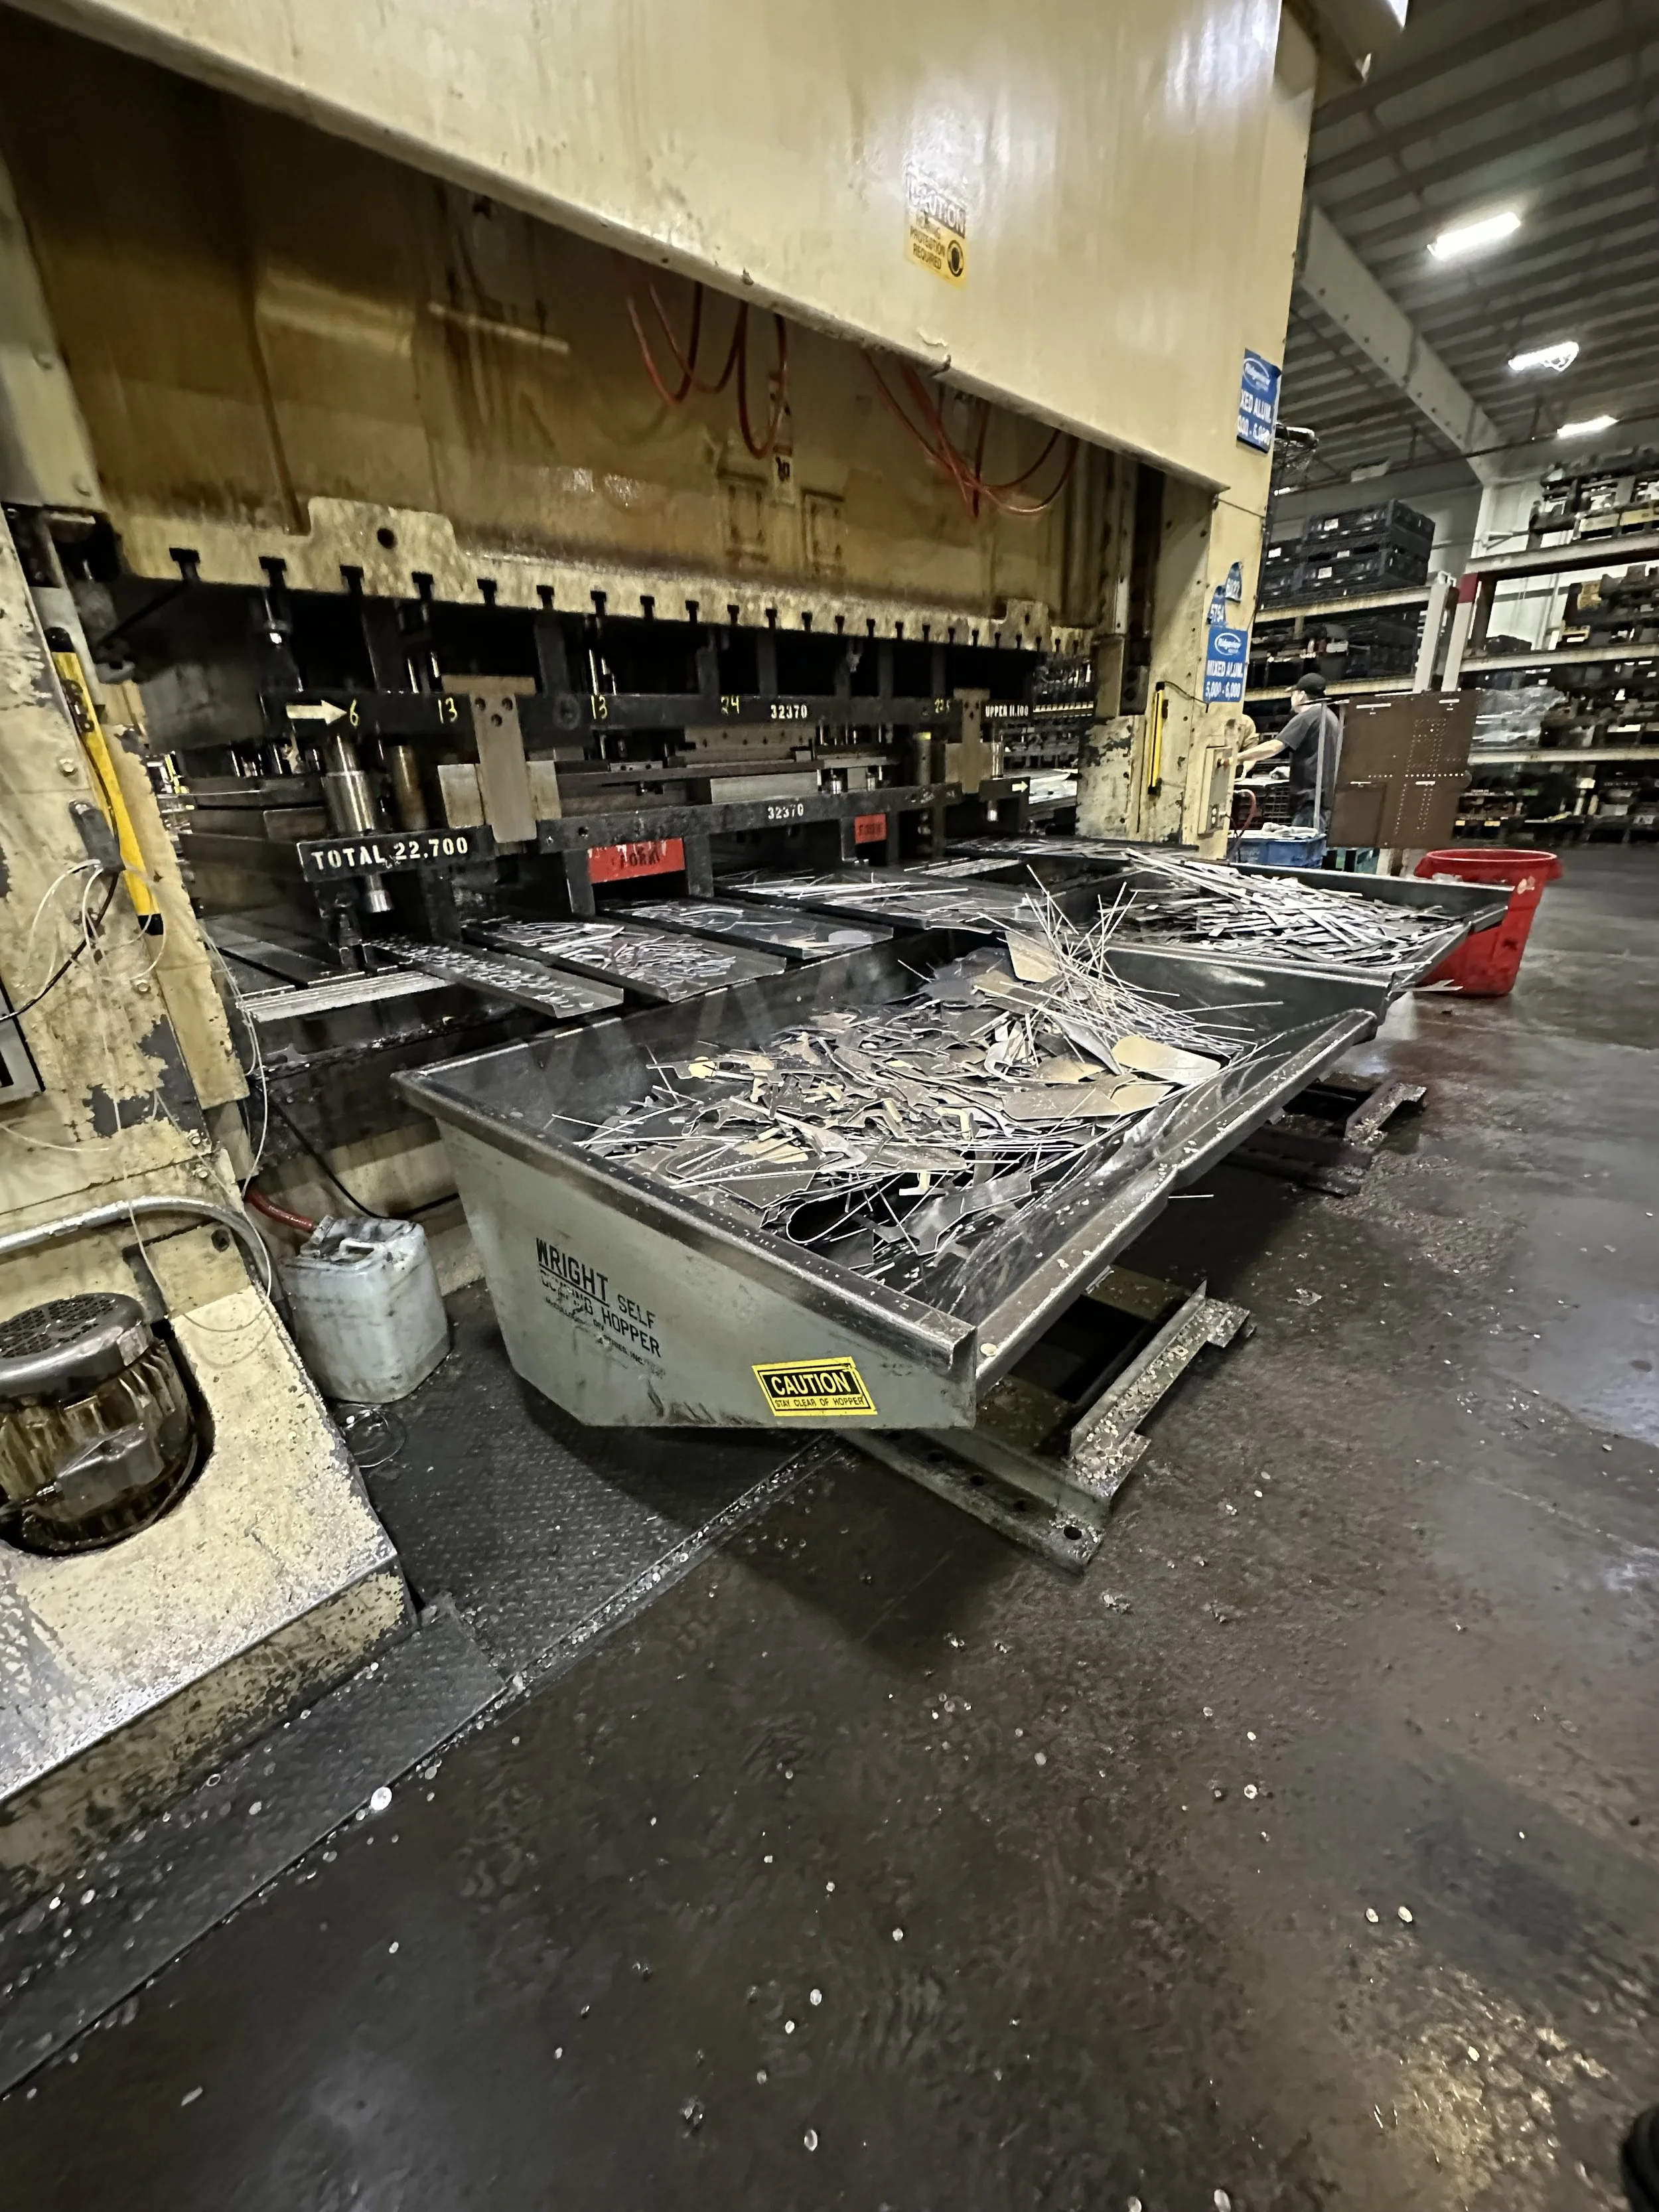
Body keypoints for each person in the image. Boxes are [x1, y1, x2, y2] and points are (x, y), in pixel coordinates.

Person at [1236, 674, 1341, 829]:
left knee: (1302, 851)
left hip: (1310, 804)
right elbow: (1321, 757)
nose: (1292, 699)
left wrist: (1238, 757)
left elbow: (1274, 747)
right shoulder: (1330, 716)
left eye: (1293, 694)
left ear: (1302, 695)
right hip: (1323, 802)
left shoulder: (1309, 716)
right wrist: (1290, 771)